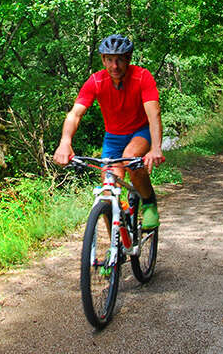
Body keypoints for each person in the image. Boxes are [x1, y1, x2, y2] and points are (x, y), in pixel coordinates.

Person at [53, 34, 165, 228]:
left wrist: (156, 147)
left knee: (130, 158)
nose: (115, 66)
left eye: (120, 59)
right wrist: (65, 142)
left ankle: (149, 203)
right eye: (110, 59)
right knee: (107, 193)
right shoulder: (96, 81)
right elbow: (75, 114)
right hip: (113, 138)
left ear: (128, 59)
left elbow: (153, 113)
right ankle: (116, 246)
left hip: (140, 131)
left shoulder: (141, 77)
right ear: (103, 59)